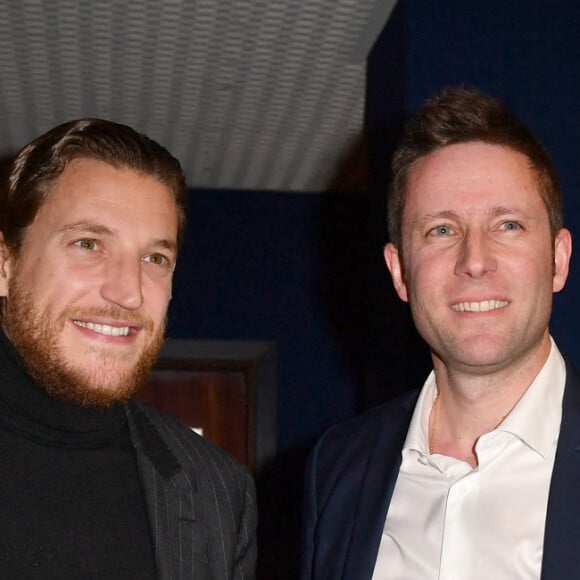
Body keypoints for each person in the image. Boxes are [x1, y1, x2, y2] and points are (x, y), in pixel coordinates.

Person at [301, 87, 579, 579]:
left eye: (508, 225)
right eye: (441, 230)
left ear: (557, 260)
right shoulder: (339, 467)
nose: (475, 261)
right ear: (400, 272)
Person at [0, 118, 256, 579]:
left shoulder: (215, 490)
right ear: (5, 265)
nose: (130, 292)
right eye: (88, 244)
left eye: (155, 258)